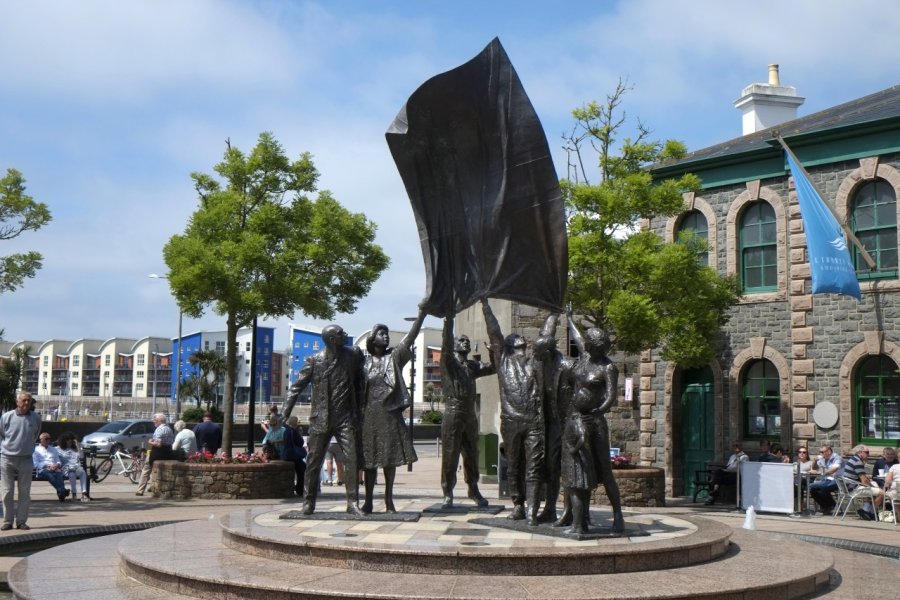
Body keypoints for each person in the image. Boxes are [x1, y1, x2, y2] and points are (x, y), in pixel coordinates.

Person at [281, 324, 366, 516]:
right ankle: (308, 502)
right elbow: (296, 387)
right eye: (341, 333)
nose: (345, 335)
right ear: (332, 339)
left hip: (346, 418)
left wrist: (361, 409)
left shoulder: (352, 356)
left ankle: (352, 503)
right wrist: (285, 413)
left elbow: (361, 382)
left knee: (352, 459)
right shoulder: (315, 360)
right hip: (321, 418)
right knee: (313, 462)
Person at [482, 298, 545, 525]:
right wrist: (485, 304)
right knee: (515, 465)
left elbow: (545, 339)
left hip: (533, 422)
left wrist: (554, 313)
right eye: (516, 347)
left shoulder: (534, 363)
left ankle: (532, 509)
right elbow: (494, 331)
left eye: (522, 347)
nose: (520, 350)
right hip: (511, 422)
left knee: (532, 466)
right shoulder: (502, 362)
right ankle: (519, 505)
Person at [559, 311, 624, 534]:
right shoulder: (584, 357)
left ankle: (618, 515)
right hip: (576, 419)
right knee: (579, 470)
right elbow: (576, 336)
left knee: (605, 471)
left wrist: (598, 411)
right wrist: (568, 318)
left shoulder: (608, 367)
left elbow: (611, 395)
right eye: (587, 343)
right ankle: (579, 518)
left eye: (592, 345)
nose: (586, 346)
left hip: (595, 423)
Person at [360, 313, 424, 514]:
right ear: (372, 339)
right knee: (369, 461)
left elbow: (410, 339)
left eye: (387, 333)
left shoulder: (393, 358)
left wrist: (420, 317)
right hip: (368, 416)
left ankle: (389, 500)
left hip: (389, 415)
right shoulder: (362, 363)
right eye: (381, 333)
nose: (385, 336)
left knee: (389, 459)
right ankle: (368, 501)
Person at [438, 316, 495, 509]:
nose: (466, 342)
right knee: (450, 455)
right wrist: (448, 322)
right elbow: (445, 345)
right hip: (453, 412)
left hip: (470, 414)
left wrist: (493, 353)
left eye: (468, 341)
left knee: (472, 454)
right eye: (462, 340)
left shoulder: (472, 366)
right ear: (454, 345)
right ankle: (448, 493)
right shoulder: (449, 363)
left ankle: (473, 488)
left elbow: (492, 368)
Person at [531, 313, 572, 524]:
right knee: (550, 467)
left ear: (548, 351)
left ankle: (570, 512)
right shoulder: (539, 364)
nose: (534, 356)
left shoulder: (567, 366)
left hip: (567, 425)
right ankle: (550, 508)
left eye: (537, 352)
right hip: (548, 425)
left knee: (568, 468)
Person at [1, 392, 42, 530]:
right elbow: (1, 435)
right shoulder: (6, 417)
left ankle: (21, 521)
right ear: (17, 402)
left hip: (26, 458)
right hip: (7, 458)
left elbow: (35, 435)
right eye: (24, 400)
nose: (26, 403)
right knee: (7, 491)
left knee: (24, 492)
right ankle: (7, 521)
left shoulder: (36, 418)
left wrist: (27, 447)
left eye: (29, 401)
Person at [136, 413, 175, 496]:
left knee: (146, 470)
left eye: (155, 420)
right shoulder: (169, 429)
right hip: (167, 453)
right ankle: (151, 487)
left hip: (157, 453)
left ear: (160, 421)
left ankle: (140, 490)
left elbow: (158, 444)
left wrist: (150, 442)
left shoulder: (159, 429)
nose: (154, 422)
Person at [842, 444, 883, 521]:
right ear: (860, 452)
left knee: (874, 487)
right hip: (854, 489)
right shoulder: (858, 462)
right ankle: (870, 511)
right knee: (881, 493)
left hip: (848, 488)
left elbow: (863, 480)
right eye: (866, 452)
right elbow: (864, 480)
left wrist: (872, 485)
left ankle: (866, 509)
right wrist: (873, 487)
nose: (868, 454)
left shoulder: (853, 459)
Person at [32, 432, 70, 502]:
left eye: (49, 439)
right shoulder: (36, 450)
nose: (48, 441)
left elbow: (58, 461)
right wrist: (47, 465)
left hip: (54, 469)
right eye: (46, 439)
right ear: (41, 440)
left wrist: (57, 465)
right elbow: (35, 464)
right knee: (50, 475)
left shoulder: (53, 449)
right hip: (42, 470)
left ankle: (61, 494)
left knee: (59, 474)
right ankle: (63, 491)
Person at [809, 444, 844, 515]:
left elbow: (833, 470)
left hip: (838, 480)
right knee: (813, 489)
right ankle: (826, 507)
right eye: (820, 452)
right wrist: (815, 461)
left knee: (822, 487)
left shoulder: (837, 458)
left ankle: (834, 506)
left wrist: (819, 473)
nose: (821, 454)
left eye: (822, 452)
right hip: (827, 480)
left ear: (829, 452)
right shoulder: (822, 458)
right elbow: (814, 468)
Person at [57, 432, 89, 502]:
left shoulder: (75, 450)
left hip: (76, 467)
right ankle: (74, 494)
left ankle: (84, 493)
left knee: (83, 472)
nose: (70, 441)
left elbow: (81, 457)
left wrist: (77, 446)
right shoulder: (58, 449)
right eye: (68, 439)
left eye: (71, 439)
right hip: (66, 468)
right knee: (72, 473)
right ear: (64, 440)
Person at [282, 416, 307, 497]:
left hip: (286, 454)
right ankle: (299, 489)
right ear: (295, 423)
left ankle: (296, 488)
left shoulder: (286, 431)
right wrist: (300, 435)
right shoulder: (294, 431)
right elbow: (300, 443)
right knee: (303, 469)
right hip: (293, 455)